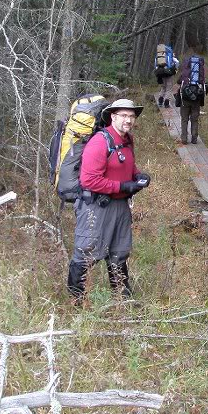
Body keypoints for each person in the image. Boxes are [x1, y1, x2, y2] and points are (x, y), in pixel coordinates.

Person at [67, 99, 151, 303]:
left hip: (120, 206)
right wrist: (122, 187)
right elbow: (89, 180)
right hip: (96, 207)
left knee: (119, 252)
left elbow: (128, 169)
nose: (128, 120)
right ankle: (77, 301)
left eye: (131, 116)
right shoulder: (99, 141)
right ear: (113, 117)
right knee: (86, 253)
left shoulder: (127, 140)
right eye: (123, 115)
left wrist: (139, 177)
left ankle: (122, 298)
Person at [176, 54, 208, 144]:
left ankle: (184, 139)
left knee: (184, 119)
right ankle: (194, 138)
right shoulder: (200, 74)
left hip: (185, 99)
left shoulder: (185, 73)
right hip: (196, 100)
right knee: (194, 119)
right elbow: (204, 85)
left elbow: (178, 81)